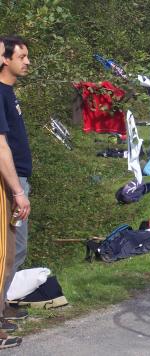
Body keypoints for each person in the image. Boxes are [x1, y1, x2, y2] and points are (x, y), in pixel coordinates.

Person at [0, 35, 32, 348]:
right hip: (13, 183)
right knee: (8, 252)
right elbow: (1, 145)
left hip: (20, 179)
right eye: (21, 56)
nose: (27, 61)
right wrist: (16, 190)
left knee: (14, 251)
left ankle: (3, 306)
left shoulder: (9, 93)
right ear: (5, 59)